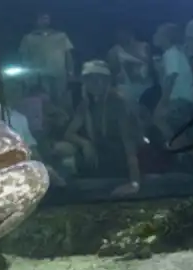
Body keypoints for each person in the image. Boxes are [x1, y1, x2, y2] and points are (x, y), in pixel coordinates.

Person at [65, 60, 142, 196]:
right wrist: (85, 143)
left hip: (120, 158)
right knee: (64, 154)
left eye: (100, 79)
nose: (96, 83)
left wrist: (135, 182)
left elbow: (129, 144)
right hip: (100, 155)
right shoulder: (86, 105)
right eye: (91, 80)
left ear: (107, 81)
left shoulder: (118, 102)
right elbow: (69, 133)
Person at [18, 12, 75, 109]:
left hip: (59, 75)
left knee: (60, 101)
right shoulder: (28, 38)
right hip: (39, 77)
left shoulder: (61, 36)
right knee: (42, 103)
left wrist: (71, 72)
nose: (44, 21)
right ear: (36, 21)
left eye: (46, 18)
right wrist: (26, 78)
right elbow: (24, 58)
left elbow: (68, 55)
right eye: (41, 18)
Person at [107, 29, 153, 115]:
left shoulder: (144, 46)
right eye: (118, 34)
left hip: (146, 87)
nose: (120, 36)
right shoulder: (115, 51)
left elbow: (150, 67)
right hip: (126, 89)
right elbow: (112, 71)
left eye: (123, 33)